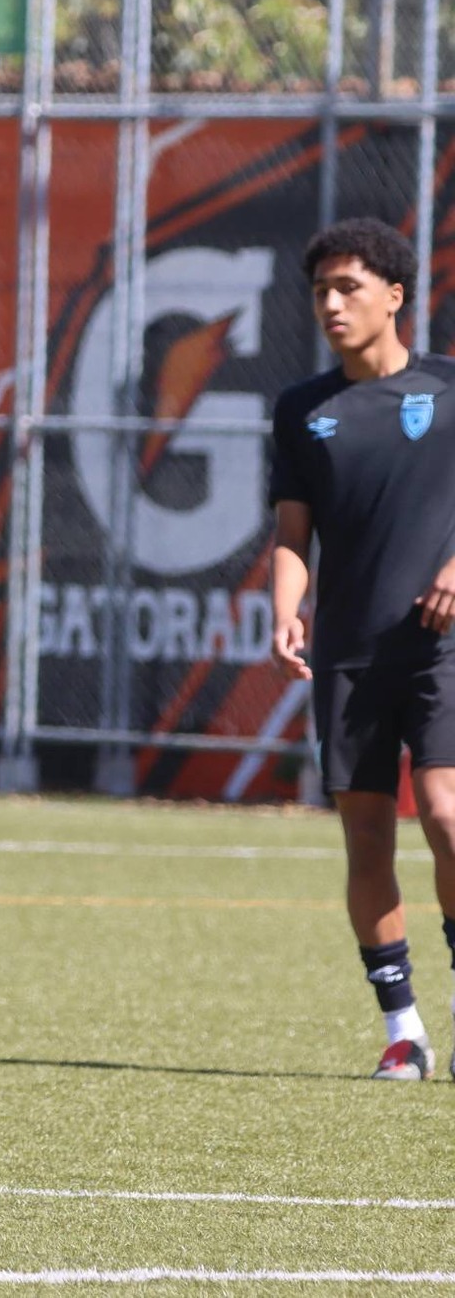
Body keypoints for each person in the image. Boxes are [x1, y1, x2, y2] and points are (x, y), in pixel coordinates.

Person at [269, 215, 455, 1081]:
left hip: (440, 645)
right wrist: (285, 609)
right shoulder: (304, 409)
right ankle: (405, 1032)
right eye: (320, 291)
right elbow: (291, 533)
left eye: (348, 287)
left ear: (395, 295)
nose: (332, 303)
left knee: (449, 816)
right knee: (368, 840)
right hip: (348, 650)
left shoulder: (450, 390)